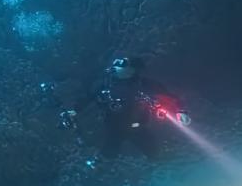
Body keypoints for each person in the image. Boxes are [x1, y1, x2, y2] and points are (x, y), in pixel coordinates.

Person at [60, 57, 189, 158]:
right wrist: (75, 110)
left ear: (133, 71)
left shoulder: (143, 83)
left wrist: (181, 111)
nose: (117, 67)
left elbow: (169, 95)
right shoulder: (105, 84)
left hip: (137, 125)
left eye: (124, 67)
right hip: (114, 126)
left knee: (154, 152)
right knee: (109, 154)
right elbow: (88, 98)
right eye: (118, 65)